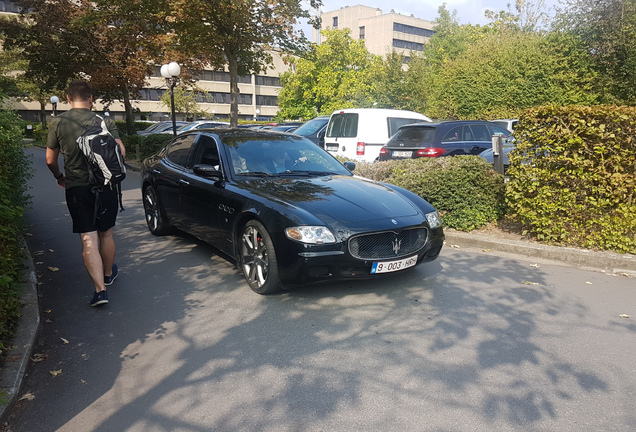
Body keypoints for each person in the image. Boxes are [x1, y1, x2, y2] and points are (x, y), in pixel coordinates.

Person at [46, 80, 126, 307]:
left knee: (88, 238)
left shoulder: (59, 122)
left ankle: (100, 291)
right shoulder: (104, 120)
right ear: (91, 99)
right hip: (107, 185)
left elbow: (50, 160)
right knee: (106, 234)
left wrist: (59, 177)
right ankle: (109, 273)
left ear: (68, 99)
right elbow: (121, 151)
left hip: (77, 187)